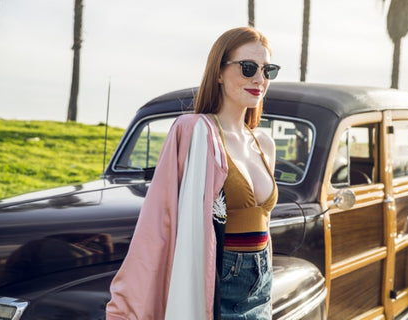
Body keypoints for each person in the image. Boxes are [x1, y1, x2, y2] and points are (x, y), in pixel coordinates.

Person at [106, 26, 280, 320]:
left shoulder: (264, 143)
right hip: (218, 282)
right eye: (248, 68)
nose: (259, 79)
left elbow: (265, 225)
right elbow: (160, 219)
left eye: (268, 70)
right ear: (219, 72)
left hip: (261, 284)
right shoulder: (196, 132)